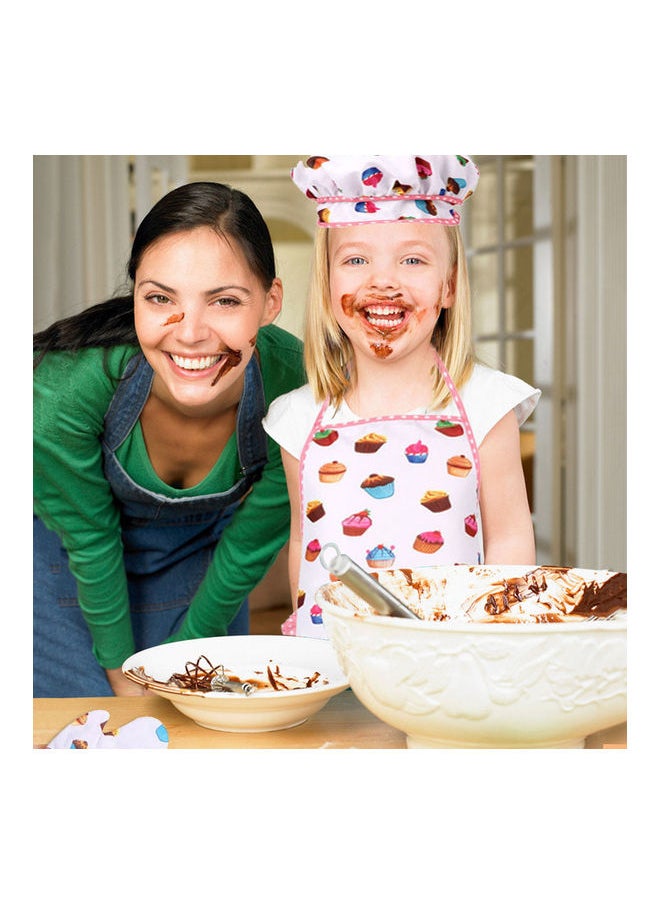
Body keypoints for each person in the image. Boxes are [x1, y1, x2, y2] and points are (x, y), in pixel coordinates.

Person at [34, 181, 306, 696]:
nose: (189, 333)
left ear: (270, 303)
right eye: (161, 298)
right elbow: (89, 539)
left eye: (224, 301)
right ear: (134, 292)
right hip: (62, 566)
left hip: (205, 576)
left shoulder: (297, 388)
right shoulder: (59, 394)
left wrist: (184, 665)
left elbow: (249, 549)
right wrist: (122, 675)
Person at [263, 155, 540, 638]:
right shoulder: (297, 417)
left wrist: (502, 650)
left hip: (452, 664)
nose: (383, 280)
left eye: (412, 260)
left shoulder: (486, 405)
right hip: (335, 664)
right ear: (328, 285)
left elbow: (511, 542)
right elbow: (305, 545)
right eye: (355, 260)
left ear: (449, 285)